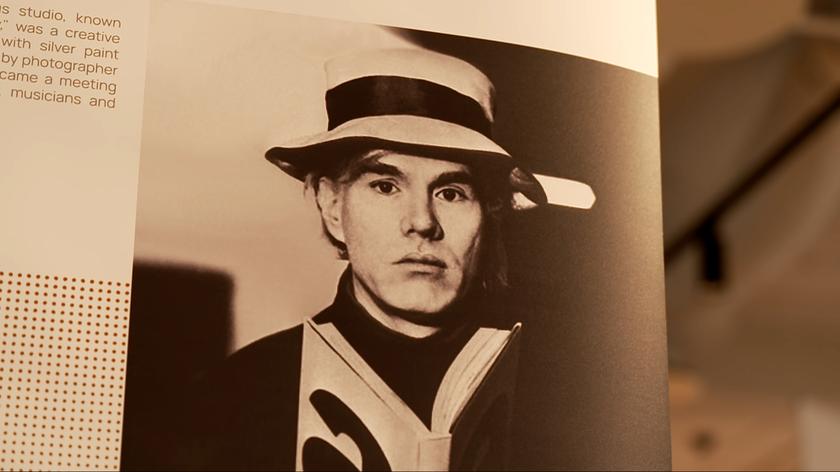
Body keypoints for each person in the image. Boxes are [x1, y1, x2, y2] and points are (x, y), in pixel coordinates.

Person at [176, 48, 585, 470]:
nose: (422, 222)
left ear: (489, 212)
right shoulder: (234, 400)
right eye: (386, 187)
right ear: (332, 206)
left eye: (451, 193)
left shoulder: (568, 400)